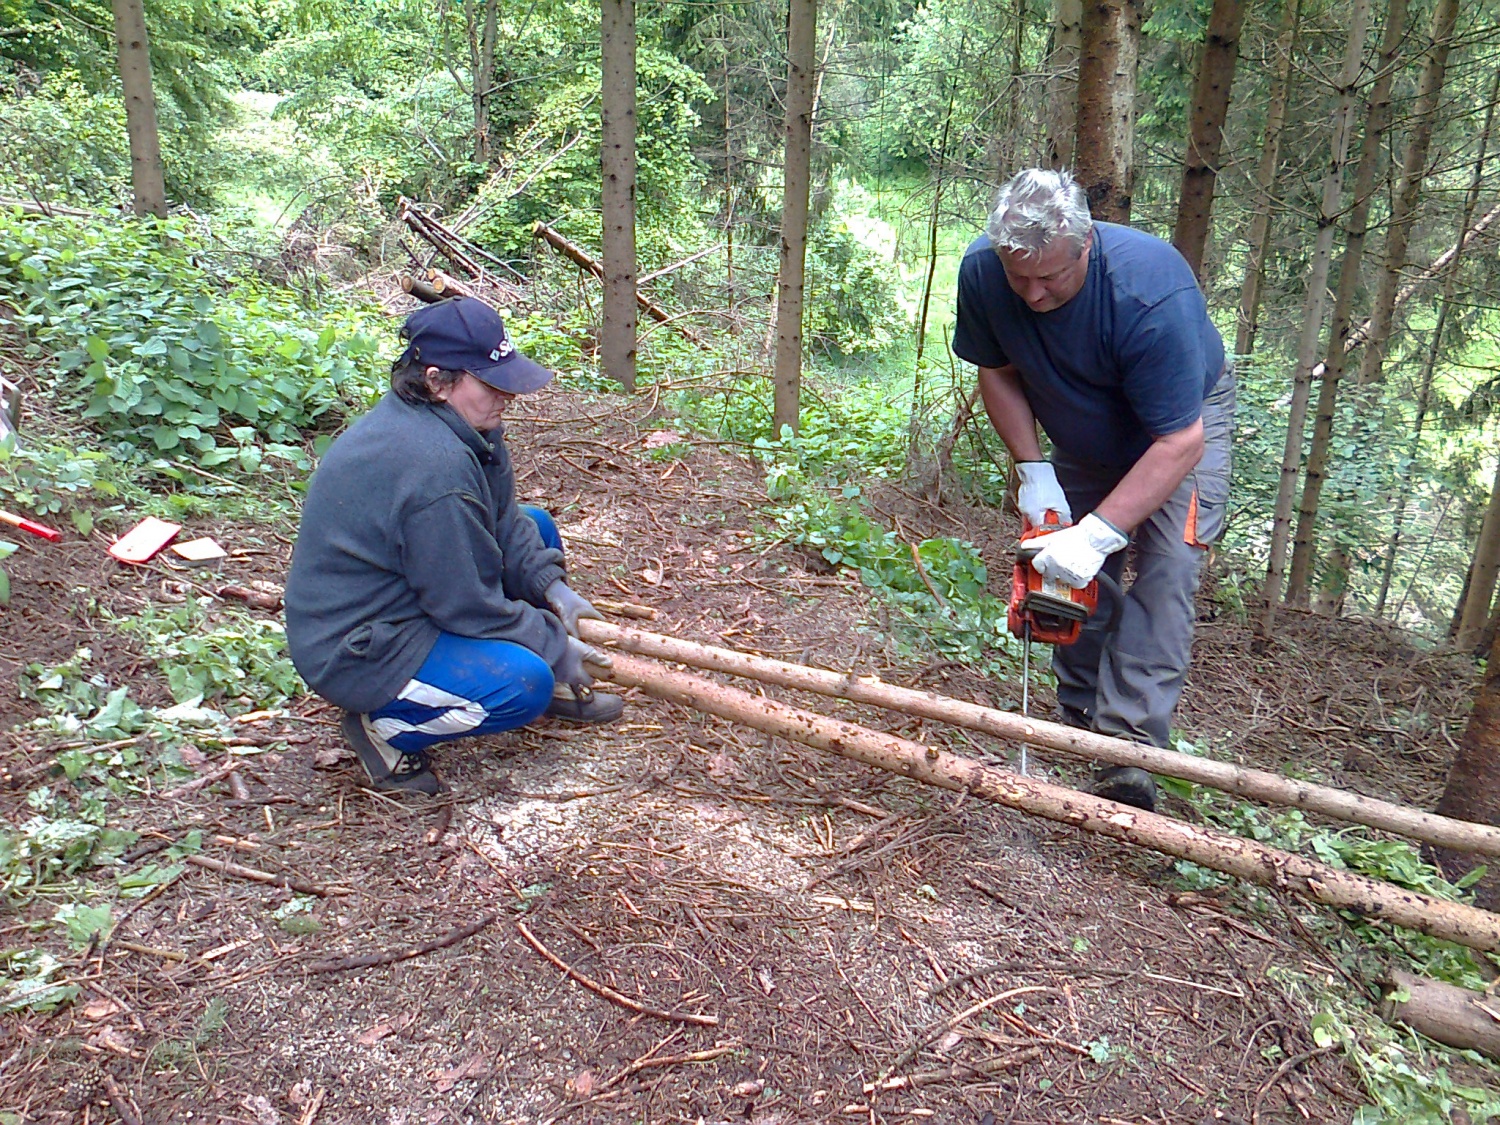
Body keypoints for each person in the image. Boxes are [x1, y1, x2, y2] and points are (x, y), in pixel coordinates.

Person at [952, 168, 1235, 812]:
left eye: (1050, 277)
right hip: (1080, 421)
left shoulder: (1149, 294)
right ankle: (1078, 714)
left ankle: (1129, 750)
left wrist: (1100, 533)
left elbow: (1180, 441)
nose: (1033, 293)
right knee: (1065, 565)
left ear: (1085, 244)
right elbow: (997, 371)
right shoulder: (984, 272)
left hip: (1179, 428)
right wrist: (1033, 470)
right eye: (1019, 276)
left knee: (1167, 568)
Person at [285, 296, 623, 795]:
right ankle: (383, 727)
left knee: (536, 526)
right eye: (491, 385)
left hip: (409, 590)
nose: (508, 396)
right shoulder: (432, 469)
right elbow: (465, 603)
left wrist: (552, 588)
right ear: (437, 381)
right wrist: (552, 644)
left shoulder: (469, 427)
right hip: (362, 647)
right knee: (522, 684)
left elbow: (504, 519)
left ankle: (540, 667)